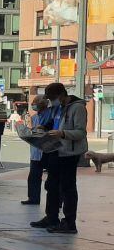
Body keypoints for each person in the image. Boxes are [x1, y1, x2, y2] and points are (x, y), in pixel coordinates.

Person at [31, 82, 88, 234]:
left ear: (62, 95)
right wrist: (45, 128)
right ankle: (51, 217)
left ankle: (69, 223)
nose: (52, 102)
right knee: (52, 185)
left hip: (69, 153)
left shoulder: (78, 108)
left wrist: (62, 134)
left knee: (67, 187)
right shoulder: (59, 108)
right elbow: (54, 123)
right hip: (55, 150)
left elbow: (81, 132)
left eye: (53, 98)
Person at [22, 95, 53, 205]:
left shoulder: (51, 114)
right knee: (33, 176)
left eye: (35, 102)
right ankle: (33, 198)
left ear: (43, 103)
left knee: (53, 178)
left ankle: (56, 201)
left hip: (48, 150)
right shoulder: (35, 117)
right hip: (35, 151)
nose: (33, 105)